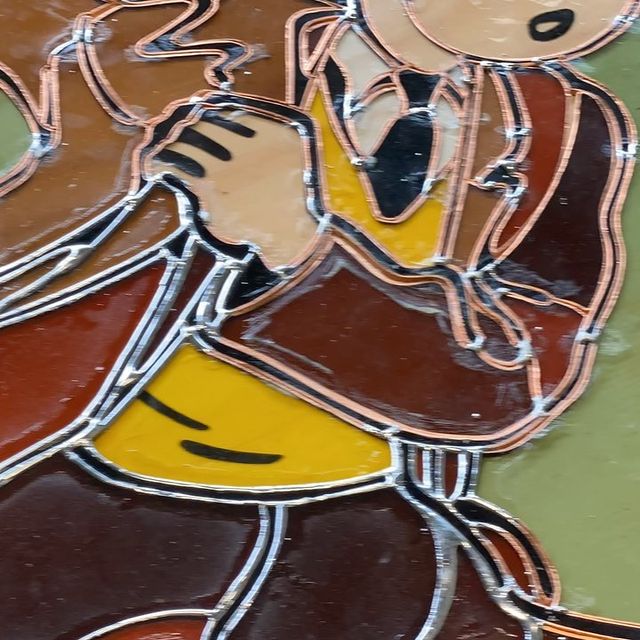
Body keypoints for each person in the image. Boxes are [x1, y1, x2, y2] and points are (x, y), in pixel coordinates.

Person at [0, 1, 638, 638]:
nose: (553, 13)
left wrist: (298, 245)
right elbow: (43, 237)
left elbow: (517, 380)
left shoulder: (559, 130)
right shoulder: (173, 49)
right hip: (87, 470)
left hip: (354, 511)